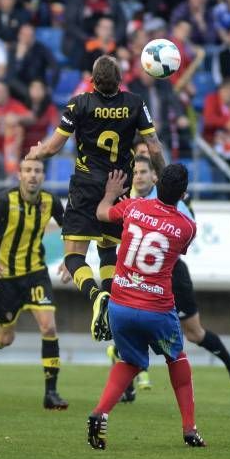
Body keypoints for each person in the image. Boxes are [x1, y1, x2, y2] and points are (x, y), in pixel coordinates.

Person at [24, 55, 166, 340]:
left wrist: (36, 152)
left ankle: (96, 296)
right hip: (119, 185)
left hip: (86, 186)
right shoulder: (136, 103)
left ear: (92, 81)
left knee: (74, 257)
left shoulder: (79, 104)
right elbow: (153, 146)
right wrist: (162, 176)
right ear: (120, 81)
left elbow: (52, 148)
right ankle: (112, 303)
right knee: (107, 250)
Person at [108, 151, 230, 402]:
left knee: (194, 333)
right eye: (135, 172)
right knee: (131, 323)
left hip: (171, 273)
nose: (138, 177)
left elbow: (185, 230)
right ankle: (127, 385)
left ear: (154, 177)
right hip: (138, 275)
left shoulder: (170, 200)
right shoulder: (130, 201)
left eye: (143, 172)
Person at [87, 165, 205, 449]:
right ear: (184, 193)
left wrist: (110, 194)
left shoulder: (133, 206)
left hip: (121, 304)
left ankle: (100, 412)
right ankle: (189, 429)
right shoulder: (187, 227)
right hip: (156, 308)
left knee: (131, 361)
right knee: (176, 358)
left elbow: (102, 213)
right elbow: (176, 249)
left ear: (156, 182)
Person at [0, 158, 69, 411]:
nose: (33, 175)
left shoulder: (50, 202)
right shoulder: (4, 201)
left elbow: (70, 230)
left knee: (48, 328)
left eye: (37, 171)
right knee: (6, 337)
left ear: (43, 176)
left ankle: (51, 393)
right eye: (28, 171)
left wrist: (70, 259)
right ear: (20, 175)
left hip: (35, 272)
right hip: (6, 278)